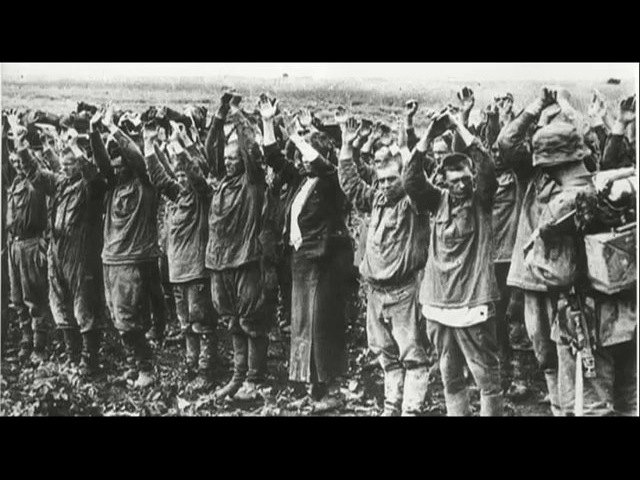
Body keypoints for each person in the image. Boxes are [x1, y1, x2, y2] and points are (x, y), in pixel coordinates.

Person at [500, 87, 596, 415]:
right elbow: (506, 142)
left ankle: (569, 406)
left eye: (558, 124)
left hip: (572, 279)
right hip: (534, 277)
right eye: (545, 124)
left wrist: (567, 108)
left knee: (574, 346)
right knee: (544, 352)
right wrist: (536, 106)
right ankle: (557, 406)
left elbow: (591, 139)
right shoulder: (531, 169)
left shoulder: (581, 166)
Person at [404, 108, 504, 416]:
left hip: (473, 305)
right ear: (446, 182)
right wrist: (427, 135)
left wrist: (459, 125)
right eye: (455, 181)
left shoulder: (481, 201)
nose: (461, 185)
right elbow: (411, 181)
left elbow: (487, 168)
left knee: (487, 379)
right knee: (450, 377)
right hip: (438, 305)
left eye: (465, 179)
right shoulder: (438, 200)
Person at [261, 97, 353, 412]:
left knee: (322, 328)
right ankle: (314, 389)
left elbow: (322, 165)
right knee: (303, 327)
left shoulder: (331, 181)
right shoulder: (302, 180)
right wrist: (268, 122)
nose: (301, 160)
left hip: (323, 265)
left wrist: (296, 136)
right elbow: (273, 157)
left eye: (306, 154)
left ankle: (333, 391)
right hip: (302, 264)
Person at [338, 115, 430, 416]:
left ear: (402, 177)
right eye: (383, 180)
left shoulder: (413, 203)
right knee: (386, 356)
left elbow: (416, 180)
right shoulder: (377, 198)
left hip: (403, 292)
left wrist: (405, 147)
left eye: (393, 179)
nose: (387, 185)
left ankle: (411, 410)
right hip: (376, 293)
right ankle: (392, 406)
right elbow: (352, 185)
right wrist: (346, 147)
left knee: (413, 356)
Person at [90, 103, 162, 388]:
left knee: (129, 321)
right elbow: (102, 163)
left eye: (122, 166)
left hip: (131, 261)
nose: (117, 170)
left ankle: (147, 368)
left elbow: (137, 158)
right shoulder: (114, 185)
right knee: (118, 319)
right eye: (115, 166)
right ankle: (134, 365)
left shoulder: (145, 184)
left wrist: (113, 128)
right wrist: (94, 131)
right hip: (111, 259)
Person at [143, 120, 218, 391]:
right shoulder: (178, 197)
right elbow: (160, 178)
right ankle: (191, 365)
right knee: (186, 324)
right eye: (179, 175)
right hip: (177, 273)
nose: (181, 179)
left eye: (184, 175)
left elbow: (196, 174)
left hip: (196, 272)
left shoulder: (201, 196)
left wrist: (177, 145)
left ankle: (206, 371)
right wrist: (149, 145)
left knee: (202, 324)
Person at [205, 93, 269, 402]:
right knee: (232, 322)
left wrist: (237, 114)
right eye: (226, 160)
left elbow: (250, 149)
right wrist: (219, 115)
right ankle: (237, 376)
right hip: (221, 262)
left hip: (245, 260)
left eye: (234, 159)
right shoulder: (221, 182)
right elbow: (211, 150)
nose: (229, 163)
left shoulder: (252, 181)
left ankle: (254, 380)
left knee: (251, 321)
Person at [4, 112, 55, 364]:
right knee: (17, 299)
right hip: (15, 245)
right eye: (13, 159)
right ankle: (26, 340)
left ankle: (39, 346)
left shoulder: (38, 179)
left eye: (19, 158)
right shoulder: (15, 182)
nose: (16, 162)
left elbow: (31, 165)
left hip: (32, 245)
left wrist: (20, 141)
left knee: (35, 298)